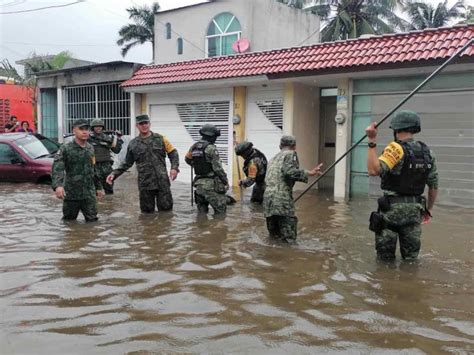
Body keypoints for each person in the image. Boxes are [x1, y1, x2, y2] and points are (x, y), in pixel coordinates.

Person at [365, 110, 438, 261]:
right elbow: (433, 185)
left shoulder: (395, 148)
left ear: (396, 129)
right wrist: (428, 210)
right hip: (414, 213)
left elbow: (373, 170)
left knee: (384, 262)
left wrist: (372, 141)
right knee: (411, 261)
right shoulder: (428, 152)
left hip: (391, 213)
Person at [106, 114, 179, 213]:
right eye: (141, 124)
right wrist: (114, 174)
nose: (144, 126)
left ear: (149, 124)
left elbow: (173, 153)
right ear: (137, 126)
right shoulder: (133, 144)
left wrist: (174, 168)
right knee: (146, 215)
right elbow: (126, 163)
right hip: (145, 184)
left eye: (146, 123)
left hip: (162, 183)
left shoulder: (161, 139)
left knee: (166, 213)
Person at [263, 135, 323, 242]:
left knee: (274, 237)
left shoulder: (273, 159)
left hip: (268, 201)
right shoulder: (291, 154)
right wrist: (310, 173)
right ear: (294, 147)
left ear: (280, 146)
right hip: (282, 201)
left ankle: (272, 257)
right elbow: (289, 172)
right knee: (288, 239)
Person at [52, 119, 104, 222]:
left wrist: (99, 187)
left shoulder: (90, 148)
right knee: (69, 223)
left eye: (87, 129)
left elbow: (94, 168)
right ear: (74, 130)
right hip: (72, 194)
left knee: (92, 222)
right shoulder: (65, 149)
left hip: (89, 194)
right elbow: (58, 167)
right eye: (81, 129)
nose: (85, 132)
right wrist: (58, 186)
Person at [185, 124, 229, 215]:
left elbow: (187, 159)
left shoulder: (194, 147)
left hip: (199, 186)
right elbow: (218, 169)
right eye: (215, 137)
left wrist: (197, 164)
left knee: (201, 215)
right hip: (211, 187)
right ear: (211, 136)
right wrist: (225, 181)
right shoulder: (211, 148)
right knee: (220, 215)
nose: (216, 139)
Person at [88, 118, 123, 195]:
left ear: (103, 127)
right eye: (96, 126)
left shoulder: (108, 138)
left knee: (109, 188)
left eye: (100, 126)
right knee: (94, 190)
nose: (98, 128)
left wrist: (119, 139)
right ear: (92, 128)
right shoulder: (88, 138)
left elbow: (116, 150)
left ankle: (109, 205)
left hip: (106, 166)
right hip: (94, 166)